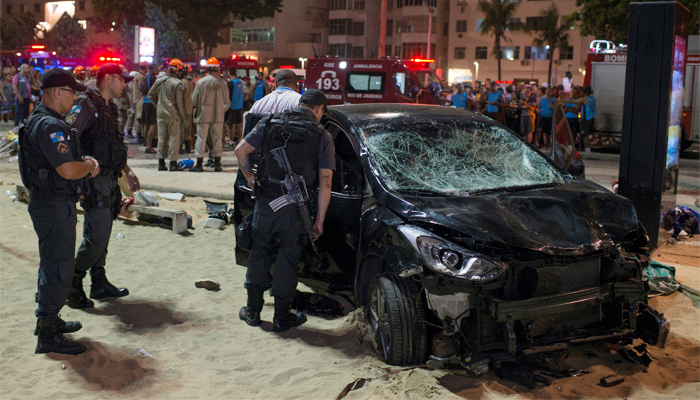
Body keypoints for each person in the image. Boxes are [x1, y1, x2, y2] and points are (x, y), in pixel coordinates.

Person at [235, 89, 335, 332]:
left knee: (259, 253)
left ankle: (253, 311)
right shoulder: (322, 135)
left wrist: (250, 178)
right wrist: (319, 219)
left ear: (301, 103)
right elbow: (326, 183)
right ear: (319, 109)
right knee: (288, 261)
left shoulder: (269, 122)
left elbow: (240, 151)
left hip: (266, 204)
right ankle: (282, 318)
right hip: (294, 209)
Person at [18, 69, 99, 354]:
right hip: (53, 205)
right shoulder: (50, 126)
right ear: (56, 92)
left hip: (48, 203)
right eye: (72, 92)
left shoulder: (40, 120)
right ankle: (48, 334)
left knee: (51, 263)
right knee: (59, 268)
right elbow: (67, 169)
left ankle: (48, 320)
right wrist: (90, 165)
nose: (75, 98)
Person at [64, 63, 132, 309]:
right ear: (109, 78)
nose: (124, 84)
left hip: (110, 180)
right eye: (122, 80)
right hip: (94, 182)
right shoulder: (86, 104)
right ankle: (73, 283)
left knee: (103, 236)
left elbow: (114, 144)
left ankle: (99, 282)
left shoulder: (108, 106)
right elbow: (68, 135)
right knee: (97, 236)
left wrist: (126, 173)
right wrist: (81, 168)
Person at [190, 57, 230, 172]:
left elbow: (194, 100)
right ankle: (217, 164)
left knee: (201, 139)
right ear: (217, 69)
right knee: (217, 139)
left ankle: (199, 164)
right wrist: (220, 110)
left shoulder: (201, 82)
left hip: (204, 114)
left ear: (206, 68)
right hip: (218, 116)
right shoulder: (222, 83)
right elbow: (227, 102)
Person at [147, 59, 187, 171]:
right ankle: (173, 163)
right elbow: (180, 104)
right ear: (178, 71)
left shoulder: (159, 80)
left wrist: (158, 105)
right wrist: (184, 118)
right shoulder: (177, 83)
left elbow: (150, 95)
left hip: (161, 113)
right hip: (173, 113)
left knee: (161, 138)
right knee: (174, 138)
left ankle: (161, 163)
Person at [561, 85, 596, 152]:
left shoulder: (585, 99)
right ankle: (587, 150)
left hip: (586, 119)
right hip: (591, 118)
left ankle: (587, 151)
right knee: (585, 135)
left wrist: (561, 100)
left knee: (584, 135)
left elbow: (574, 102)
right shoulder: (593, 99)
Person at [141, 64, 160, 153]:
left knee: (146, 124)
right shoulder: (153, 78)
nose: (158, 70)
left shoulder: (145, 77)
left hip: (144, 102)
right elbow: (155, 91)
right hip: (151, 103)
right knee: (153, 124)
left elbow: (141, 89)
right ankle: (149, 146)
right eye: (156, 69)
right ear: (152, 69)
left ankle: (146, 144)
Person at [131, 62, 149, 143]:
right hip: (139, 100)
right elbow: (141, 89)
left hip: (136, 99)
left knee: (137, 117)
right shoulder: (141, 77)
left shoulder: (138, 76)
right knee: (139, 118)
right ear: (145, 68)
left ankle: (139, 134)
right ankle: (139, 135)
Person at [226, 69, 245, 144]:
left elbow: (229, 95)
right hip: (239, 105)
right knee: (239, 123)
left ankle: (231, 140)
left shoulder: (231, 83)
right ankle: (240, 139)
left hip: (233, 105)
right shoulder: (239, 82)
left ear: (229, 72)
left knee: (232, 124)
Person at [181, 65, 195, 154]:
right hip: (190, 109)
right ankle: (188, 147)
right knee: (188, 129)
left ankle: (180, 147)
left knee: (181, 129)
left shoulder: (182, 82)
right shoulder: (190, 82)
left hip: (183, 109)